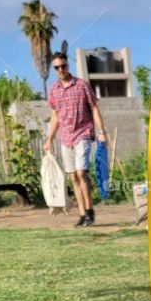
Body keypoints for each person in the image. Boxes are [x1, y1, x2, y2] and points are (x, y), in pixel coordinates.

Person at [42, 52, 107, 227]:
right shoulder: (54, 90)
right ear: (54, 69)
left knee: (81, 173)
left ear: (67, 66)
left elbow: (94, 108)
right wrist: (49, 138)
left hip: (83, 133)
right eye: (57, 67)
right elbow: (55, 116)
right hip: (65, 137)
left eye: (63, 66)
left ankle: (90, 212)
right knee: (72, 177)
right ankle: (82, 214)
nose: (61, 69)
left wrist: (102, 131)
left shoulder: (81, 85)